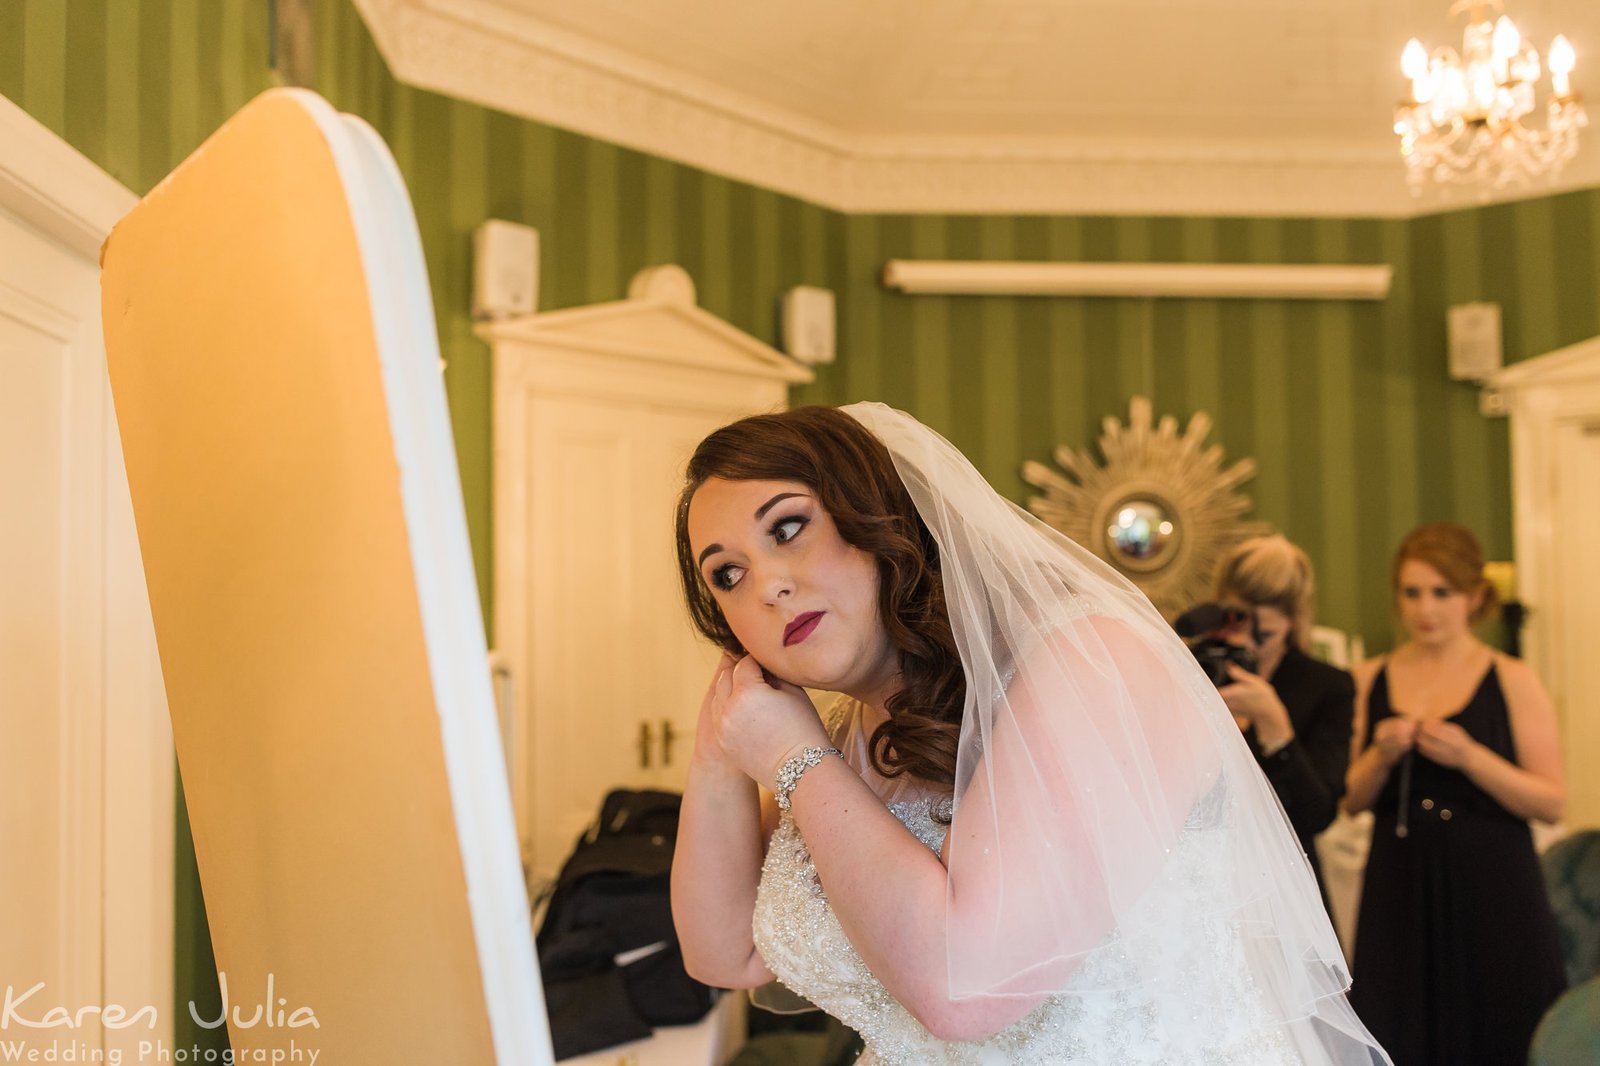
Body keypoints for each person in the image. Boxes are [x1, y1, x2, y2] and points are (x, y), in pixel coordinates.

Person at [669, 403, 1388, 1065]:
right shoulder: (845, 735)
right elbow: (724, 951)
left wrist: (796, 759)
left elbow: (968, 988)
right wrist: (716, 752)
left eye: (788, 529)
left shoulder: (1091, 665)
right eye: (726, 575)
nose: (766, 586)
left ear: (878, 515)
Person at [1344, 523, 1566, 1066]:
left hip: (1494, 883)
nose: (1427, 609)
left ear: (1473, 596)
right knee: (1400, 1032)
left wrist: (1472, 758)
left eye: (1442, 593)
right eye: (1412, 592)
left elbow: (1552, 801)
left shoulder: (1512, 679)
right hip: (1399, 881)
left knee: (1500, 1029)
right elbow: (1349, 799)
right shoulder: (1369, 677)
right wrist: (1380, 754)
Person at [1212, 535, 1353, 908]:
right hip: (1205, 877)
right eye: (1237, 624)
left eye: (1267, 634)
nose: (1250, 644)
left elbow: (1318, 814)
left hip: (1285, 888)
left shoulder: (1327, 687)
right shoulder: (1196, 670)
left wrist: (1276, 727)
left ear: (1294, 622)